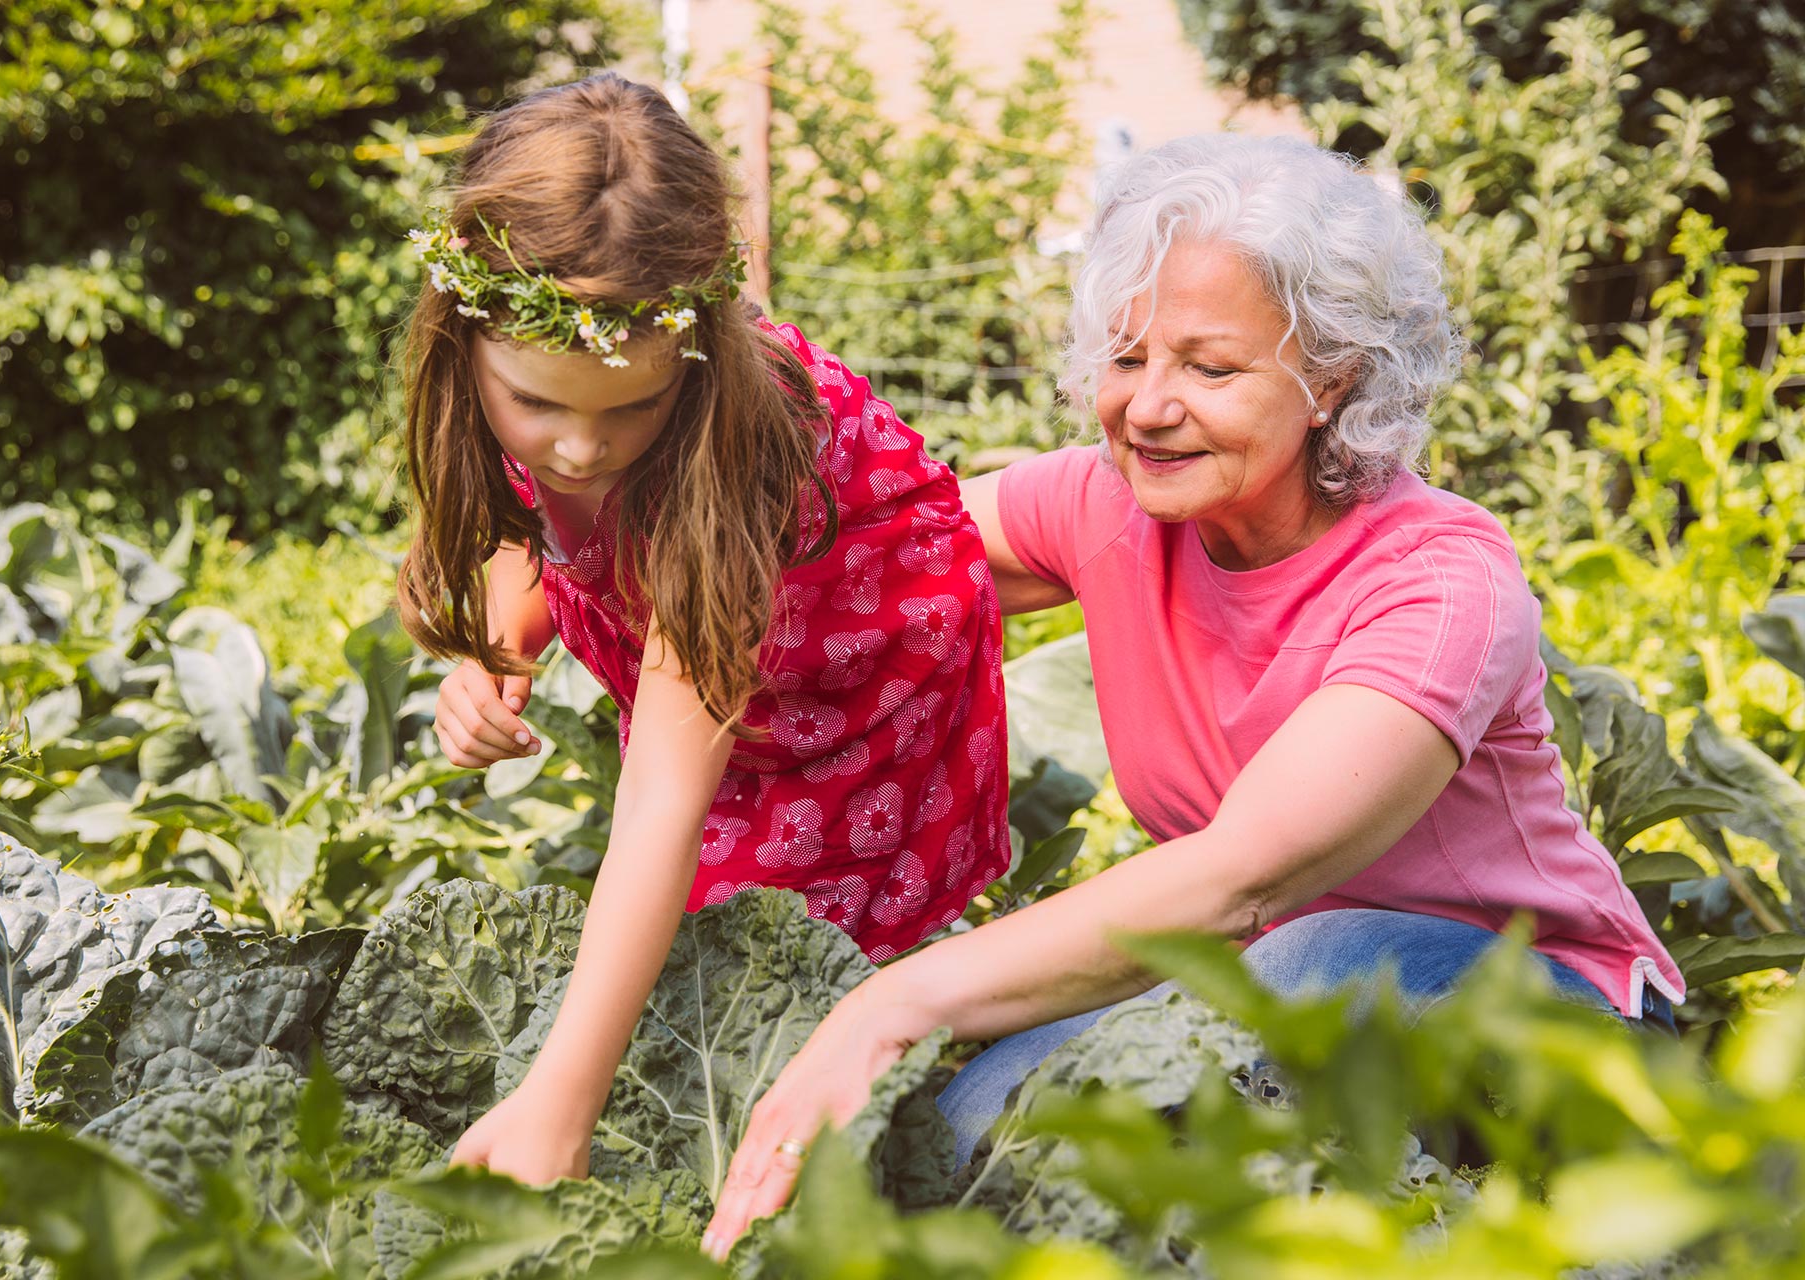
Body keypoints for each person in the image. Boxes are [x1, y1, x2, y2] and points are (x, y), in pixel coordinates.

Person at [699, 133, 1685, 1257]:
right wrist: (527, 601)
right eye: (1127, 357)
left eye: (1209, 369)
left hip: (1556, 1020)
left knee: (1313, 961)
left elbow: (1243, 876)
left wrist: (886, 1004)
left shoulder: (1442, 584)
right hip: (1268, 986)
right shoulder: (1106, 507)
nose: (1149, 407)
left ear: (1332, 378)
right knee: (971, 1135)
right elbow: (850, 566)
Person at [394, 74, 1010, 1187]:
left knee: (776, 962)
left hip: (850, 654)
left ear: (696, 356)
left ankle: (901, 1078)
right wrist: (503, 643)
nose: (577, 449)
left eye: (628, 409)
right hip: (706, 623)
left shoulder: (727, 459)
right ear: (465, 344)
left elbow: (669, 789)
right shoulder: (512, 390)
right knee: (685, 930)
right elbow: (518, 521)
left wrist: (559, 1101)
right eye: (539, 408)